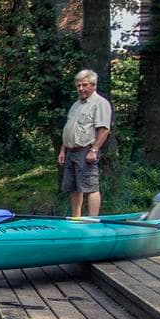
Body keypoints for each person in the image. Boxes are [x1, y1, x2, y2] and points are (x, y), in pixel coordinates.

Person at [58, 69, 112, 218]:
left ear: (93, 85)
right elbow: (68, 129)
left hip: (86, 150)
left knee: (91, 186)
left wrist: (94, 150)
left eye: (85, 85)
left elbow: (104, 129)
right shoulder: (76, 105)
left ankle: (93, 220)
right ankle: (76, 219)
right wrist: (63, 150)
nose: (81, 88)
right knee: (74, 187)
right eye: (78, 85)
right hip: (71, 151)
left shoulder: (100, 103)